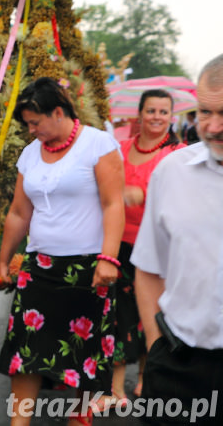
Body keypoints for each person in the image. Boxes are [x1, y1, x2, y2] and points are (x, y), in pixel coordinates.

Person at [0, 77, 124, 426]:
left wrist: (108, 258)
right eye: (27, 124)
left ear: (58, 111)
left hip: (88, 270)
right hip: (40, 268)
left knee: (85, 357)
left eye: (36, 122)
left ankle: (79, 420)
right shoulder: (30, 154)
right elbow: (20, 212)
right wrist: (5, 260)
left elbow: (113, 204)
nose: (32, 130)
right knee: (26, 353)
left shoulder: (98, 145)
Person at [133, 54, 223, 425]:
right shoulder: (171, 172)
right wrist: (157, 347)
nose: (214, 127)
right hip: (178, 367)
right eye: (204, 112)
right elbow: (148, 269)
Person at [110, 89, 185, 403]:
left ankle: (144, 377)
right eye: (151, 110)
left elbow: (185, 202)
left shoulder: (179, 154)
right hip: (118, 245)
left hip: (158, 250)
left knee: (149, 315)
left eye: (163, 112)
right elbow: (103, 187)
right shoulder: (119, 148)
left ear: (172, 116)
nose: (156, 117)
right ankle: (114, 389)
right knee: (116, 316)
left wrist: (148, 197)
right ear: (139, 114)